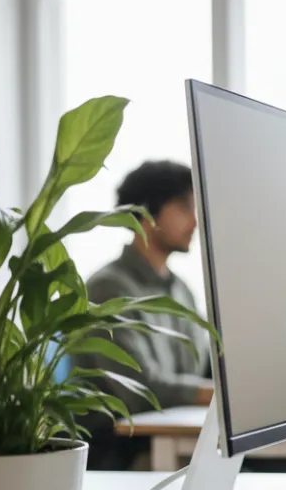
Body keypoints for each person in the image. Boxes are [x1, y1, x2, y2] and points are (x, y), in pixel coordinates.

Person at [76, 160, 212, 470]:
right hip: (125, 451)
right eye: (184, 207)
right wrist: (220, 395)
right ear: (147, 214)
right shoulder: (108, 289)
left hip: (181, 443)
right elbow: (140, 389)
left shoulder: (180, 290)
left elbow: (202, 370)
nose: (195, 220)